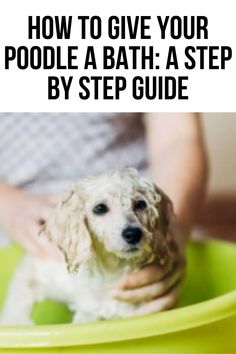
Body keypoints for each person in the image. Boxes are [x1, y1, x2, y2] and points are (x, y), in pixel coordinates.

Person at [0, 112, 208, 315]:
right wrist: (7, 201)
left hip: (153, 198)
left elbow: (179, 137)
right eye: (101, 209)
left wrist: (172, 230)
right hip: (15, 222)